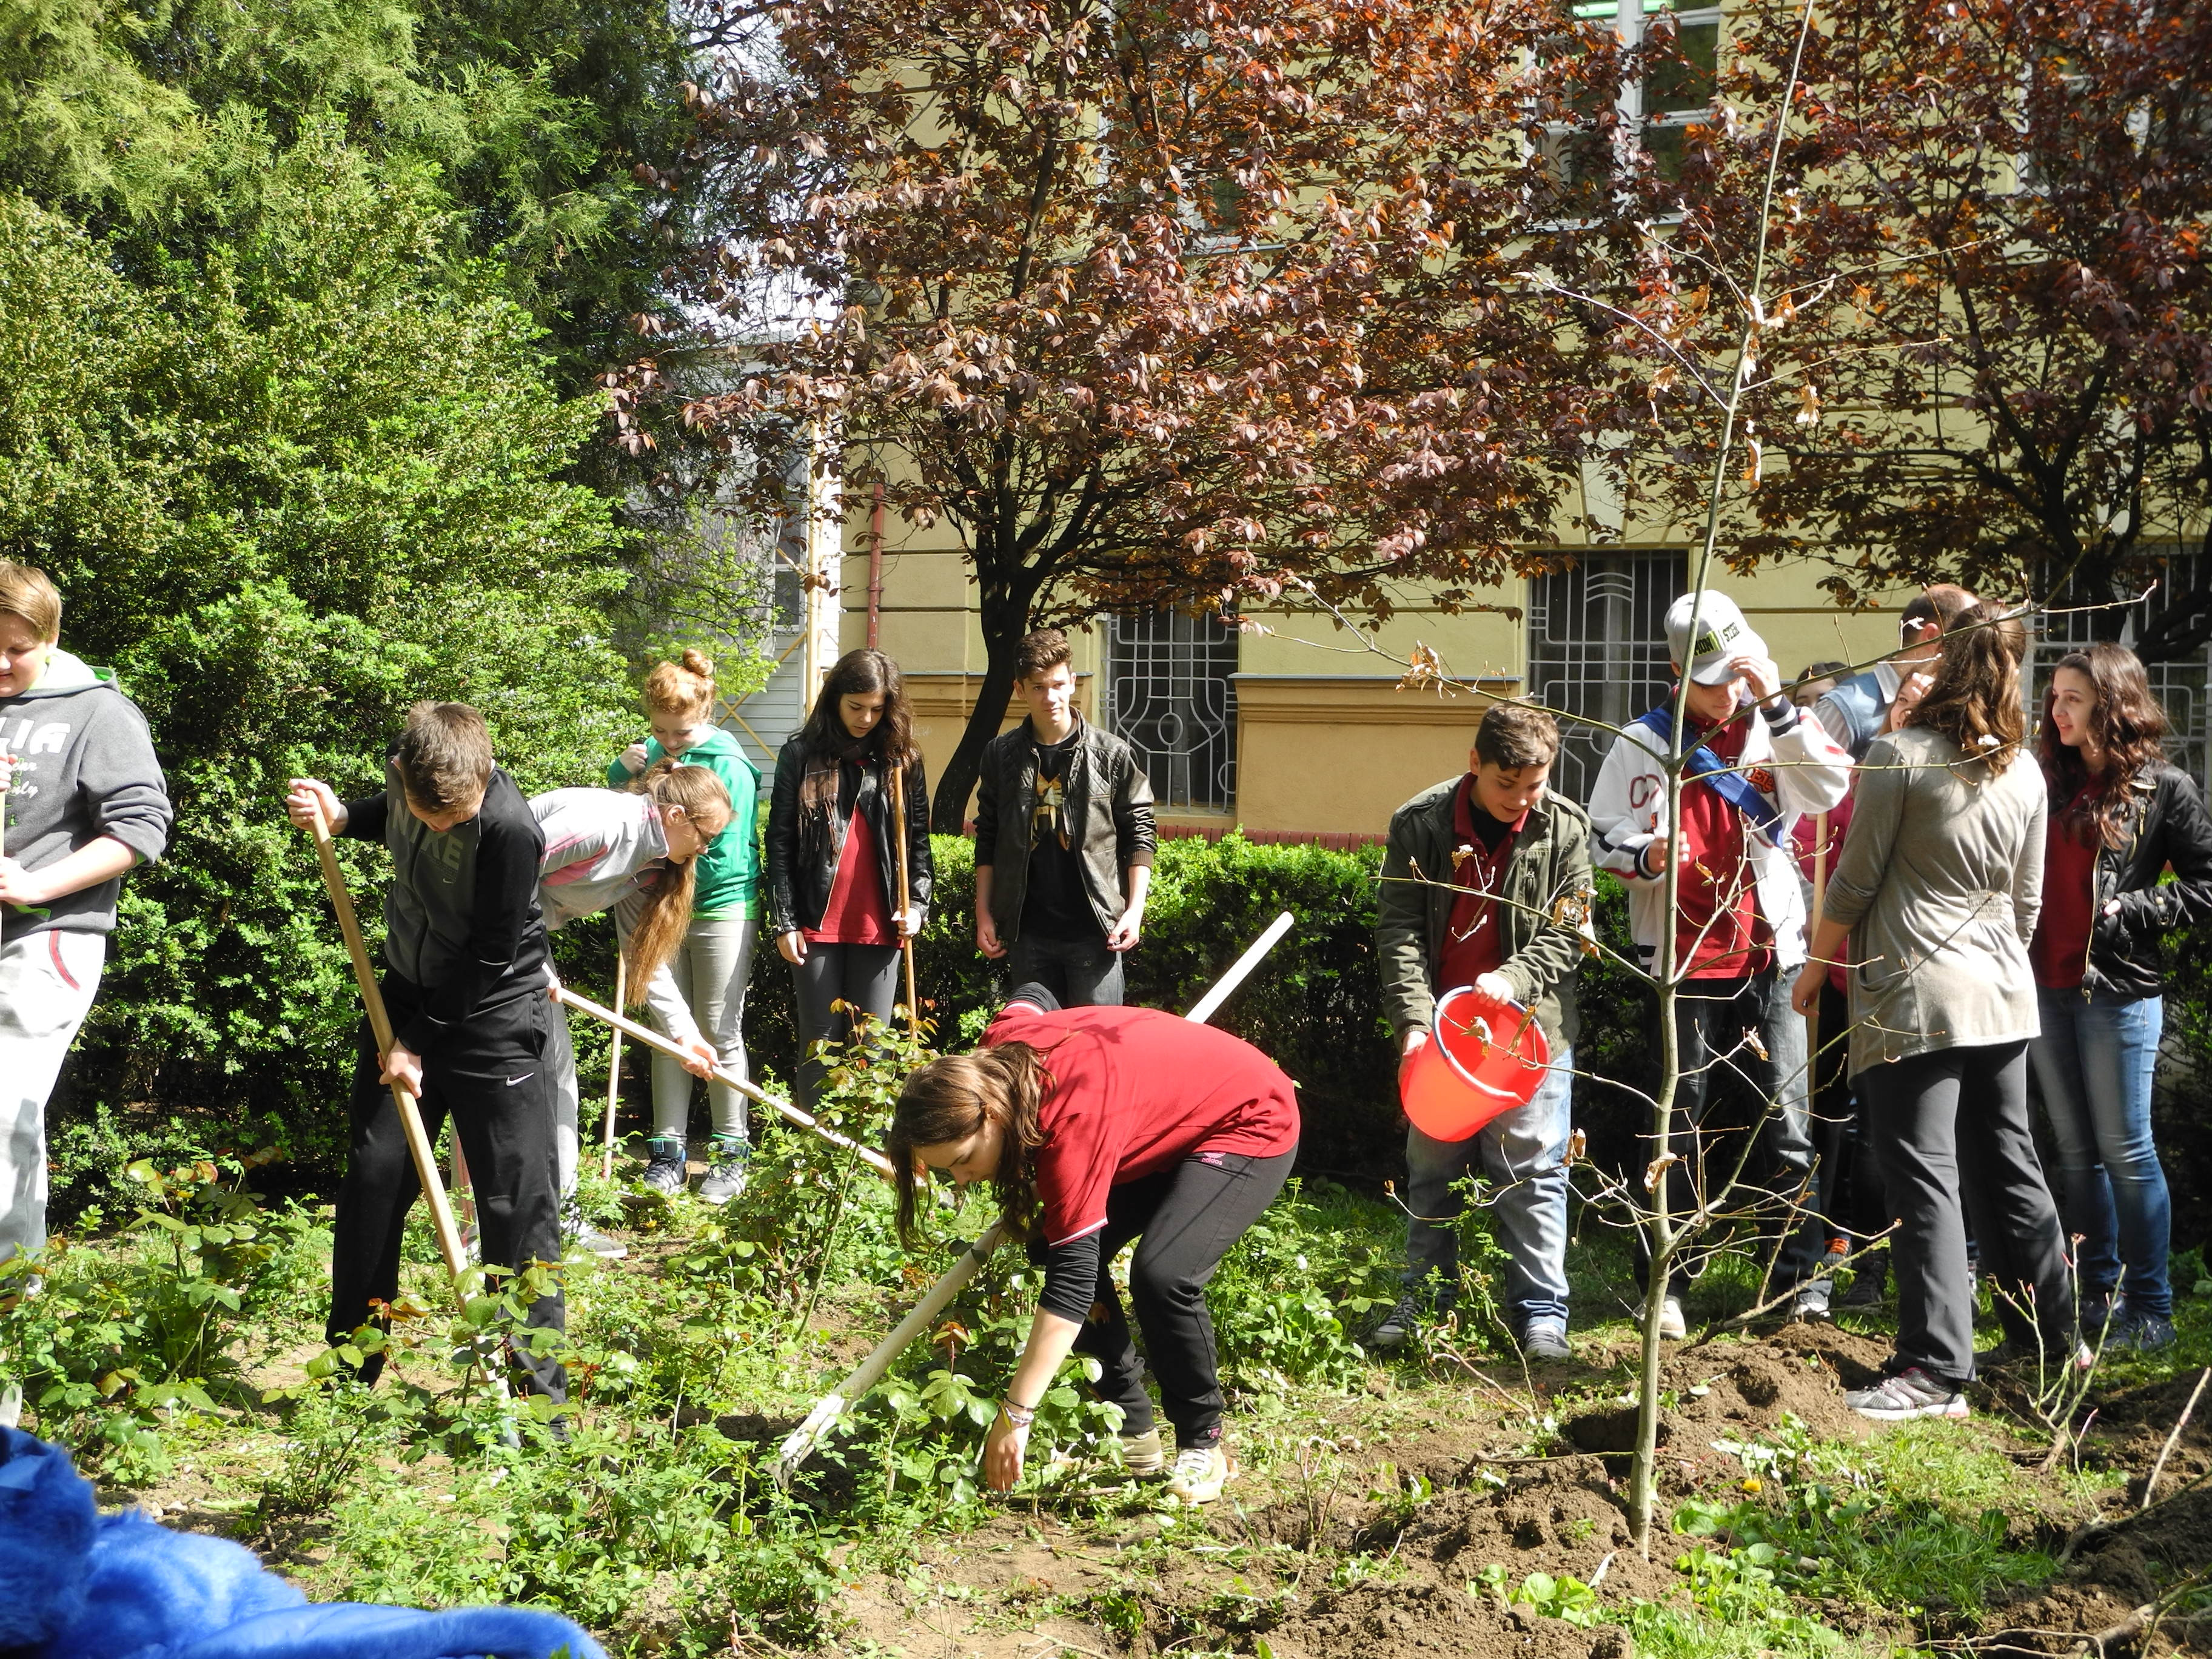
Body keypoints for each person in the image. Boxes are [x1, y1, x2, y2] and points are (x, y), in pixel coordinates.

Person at [1793, 603, 2076, 1419]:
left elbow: (1853, 882)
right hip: (2002, 995)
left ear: (1943, 662)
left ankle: (1934, 1370)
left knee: (1924, 1176)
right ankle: (2053, 1342)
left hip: (1914, 993)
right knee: (2009, 1166)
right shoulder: (2025, 771)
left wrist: (1815, 969)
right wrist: (1992, 964)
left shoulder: (1899, 755)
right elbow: (2027, 905)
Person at [886, 986, 1300, 1506]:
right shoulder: (991, 1058)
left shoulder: (1070, 1126)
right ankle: (1132, 1427)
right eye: (949, 1171)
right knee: (1048, 1241)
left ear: (991, 1114)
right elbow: (1033, 995)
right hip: (1155, 1126)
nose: (963, 1179)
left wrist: (1016, 1414)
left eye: (965, 1160)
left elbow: (1073, 1285)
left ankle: (1203, 1442)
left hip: (1247, 1117)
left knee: (1164, 1274)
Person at [1588, 591, 1853, 1336]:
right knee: (1678, 1126)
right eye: (1711, 681)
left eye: (1737, 674)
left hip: (1771, 955)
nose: (1728, 691)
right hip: (1681, 962)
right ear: (1677, 674)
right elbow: (1600, 833)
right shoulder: (1642, 742)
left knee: (1786, 1124)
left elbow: (1830, 787)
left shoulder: (1777, 725)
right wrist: (1647, 855)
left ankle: (1795, 1282)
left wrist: (1780, 709)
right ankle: (1667, 1282)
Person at [286, 704, 566, 1400]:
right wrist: (343, 817)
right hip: (406, 999)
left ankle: (538, 1404)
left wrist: (415, 1043)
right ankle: (350, 1375)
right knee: (374, 1178)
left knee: (513, 1201)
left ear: (484, 775)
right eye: (427, 813)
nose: (441, 828)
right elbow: (392, 814)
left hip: (495, 1016)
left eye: (455, 819)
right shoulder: (407, 773)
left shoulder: (510, 829)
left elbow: (492, 955)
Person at [1369, 702, 1594, 1362]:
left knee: (1534, 1173)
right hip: (1446, 1037)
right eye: (1507, 784)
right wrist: (1414, 1026)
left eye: (1536, 785)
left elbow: (1571, 930)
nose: (1521, 800)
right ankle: (1426, 1297)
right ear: (1475, 763)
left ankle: (1541, 1315)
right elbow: (1399, 931)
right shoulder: (1421, 824)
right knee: (1431, 1168)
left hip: (1532, 1033)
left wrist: (1515, 979)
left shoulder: (1566, 827)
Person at [2029, 643, 2212, 1353]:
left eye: (2072, 698)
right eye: (2054, 696)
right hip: (2042, 986)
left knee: (2127, 1151)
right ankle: (2096, 1297)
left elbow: (2205, 885)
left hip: (2116, 991)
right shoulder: (2044, 779)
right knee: (2076, 1152)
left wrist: (2135, 909)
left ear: (2112, 704)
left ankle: (2152, 1310)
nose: (2057, 709)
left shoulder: (2164, 788)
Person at [0, 561, 173, 1265]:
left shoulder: (97, 711)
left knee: (2, 1114)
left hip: (44, 938)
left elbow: (141, 829)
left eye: (16, 648)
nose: (0, 663)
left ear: (49, 640)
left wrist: (36, 885)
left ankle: (12, 1312)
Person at [534, 764, 732, 1215]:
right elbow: (500, 872)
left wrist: (685, 1034)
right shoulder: (601, 824)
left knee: (557, 1074)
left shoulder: (652, 864)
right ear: (676, 816)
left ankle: (561, 1214)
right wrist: (529, 961)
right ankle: (482, 1230)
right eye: (706, 836)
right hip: (477, 934)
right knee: (511, 1077)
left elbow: (644, 956)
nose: (705, 849)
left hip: (521, 939)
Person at [607, 651, 763, 1202]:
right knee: (668, 1029)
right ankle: (667, 1152)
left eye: (682, 732)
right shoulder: (652, 754)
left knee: (718, 1030)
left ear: (707, 715)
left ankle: (730, 1154)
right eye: (660, 731)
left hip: (721, 908)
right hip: (660, 904)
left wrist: (666, 864)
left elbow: (725, 852)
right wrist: (622, 771)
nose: (670, 743)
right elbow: (625, 811)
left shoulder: (730, 764)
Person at [765, 649, 933, 1110]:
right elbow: (779, 841)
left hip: (881, 922)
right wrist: (785, 921)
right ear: (835, 699)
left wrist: (918, 906)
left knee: (873, 1043)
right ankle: (815, 1148)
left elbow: (918, 843)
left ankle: (869, 1148)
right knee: (820, 1042)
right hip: (815, 921)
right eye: (856, 707)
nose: (866, 718)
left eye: (877, 709)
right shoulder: (800, 755)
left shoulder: (902, 760)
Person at [973, 628, 1156, 1005]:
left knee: (1093, 1041)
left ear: (1073, 682)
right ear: (1020, 689)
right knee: (1035, 1042)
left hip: (1095, 934)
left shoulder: (1112, 755)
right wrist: (984, 914)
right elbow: (988, 837)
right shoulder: (1000, 755)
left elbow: (1140, 834)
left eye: (1058, 684)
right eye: (1038, 687)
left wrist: (1134, 911)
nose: (1050, 697)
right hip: (1028, 936)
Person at [1814, 585, 1978, 762]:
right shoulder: (1847, 705)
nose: (1974, 649)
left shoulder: (1959, 706)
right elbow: (1805, 775)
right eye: (1968, 636)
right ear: (1931, 636)